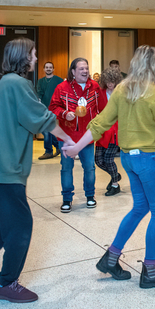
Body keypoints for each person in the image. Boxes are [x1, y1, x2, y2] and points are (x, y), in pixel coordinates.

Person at [64, 45, 155, 289]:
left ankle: (111, 258)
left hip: (128, 159)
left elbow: (100, 122)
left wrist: (75, 147)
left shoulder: (121, 90)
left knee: (140, 207)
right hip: (149, 159)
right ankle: (149, 271)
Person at [0, 38, 74, 303]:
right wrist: (69, 140)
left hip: (1, 165)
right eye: (33, 54)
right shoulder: (18, 84)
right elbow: (42, 118)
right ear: (23, 57)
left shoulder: (5, 84)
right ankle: (7, 283)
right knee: (21, 224)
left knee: (9, 221)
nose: (36, 58)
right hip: (7, 166)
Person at [48, 58, 104, 211]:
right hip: (67, 136)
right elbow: (53, 108)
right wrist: (65, 114)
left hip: (87, 136)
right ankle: (67, 199)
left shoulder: (95, 87)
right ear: (73, 71)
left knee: (90, 168)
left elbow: (103, 108)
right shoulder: (62, 87)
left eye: (86, 68)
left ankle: (90, 196)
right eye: (81, 69)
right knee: (66, 168)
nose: (85, 71)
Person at [95, 67, 123, 196]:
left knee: (108, 159)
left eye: (112, 81)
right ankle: (115, 176)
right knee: (98, 160)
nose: (110, 84)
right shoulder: (100, 91)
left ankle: (115, 184)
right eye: (107, 81)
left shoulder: (122, 92)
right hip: (103, 129)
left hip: (116, 129)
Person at [36, 62, 64, 160]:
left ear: (53, 69)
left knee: (47, 130)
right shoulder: (40, 81)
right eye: (46, 67)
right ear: (44, 69)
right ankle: (58, 147)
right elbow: (39, 93)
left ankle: (48, 151)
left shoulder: (59, 80)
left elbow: (64, 92)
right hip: (43, 109)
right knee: (46, 130)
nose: (48, 69)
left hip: (55, 109)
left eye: (50, 67)